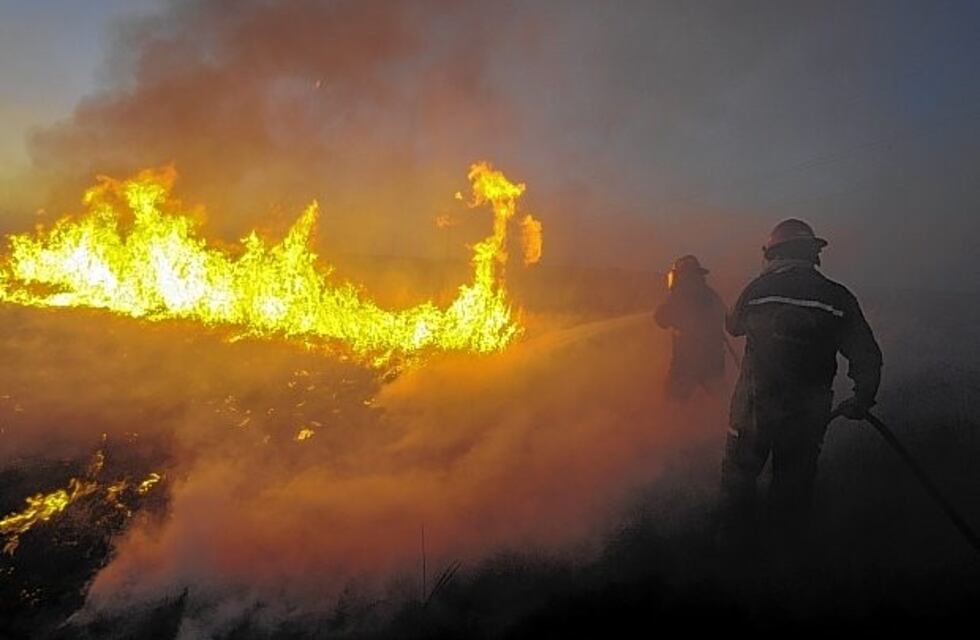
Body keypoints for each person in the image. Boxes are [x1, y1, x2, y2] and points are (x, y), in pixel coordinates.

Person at [720, 219, 882, 544]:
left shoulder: (756, 290)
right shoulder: (837, 297)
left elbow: (734, 327)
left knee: (739, 480)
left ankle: (734, 553)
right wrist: (862, 398)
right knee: (793, 485)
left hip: (751, 410)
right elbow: (867, 355)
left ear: (773, 254)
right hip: (806, 416)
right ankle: (785, 559)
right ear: (813, 255)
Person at [654, 255, 727, 400]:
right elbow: (724, 316)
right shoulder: (710, 293)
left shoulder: (679, 294)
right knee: (723, 402)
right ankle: (722, 421)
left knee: (673, 403)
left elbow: (660, 319)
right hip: (713, 360)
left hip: (685, 361)